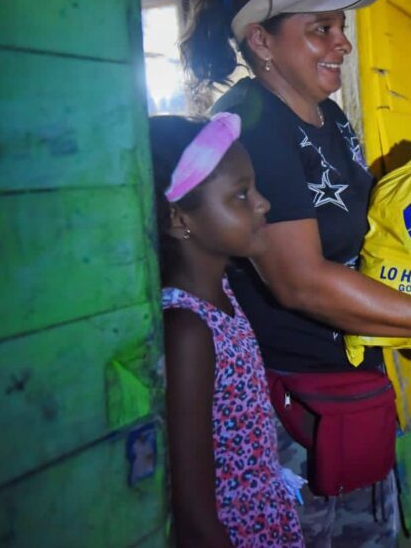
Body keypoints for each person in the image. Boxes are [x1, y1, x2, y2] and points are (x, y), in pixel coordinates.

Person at [179, 0, 411, 546]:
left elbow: (371, 231)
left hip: (350, 382)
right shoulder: (250, 123)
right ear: (261, 40)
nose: (342, 42)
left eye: (341, 26)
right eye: (321, 29)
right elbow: (301, 283)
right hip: (288, 405)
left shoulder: (329, 115)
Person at [151, 114, 303, 547]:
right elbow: (194, 510)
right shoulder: (186, 330)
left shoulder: (222, 293)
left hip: (266, 517)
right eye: (241, 195)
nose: (263, 203)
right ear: (180, 218)